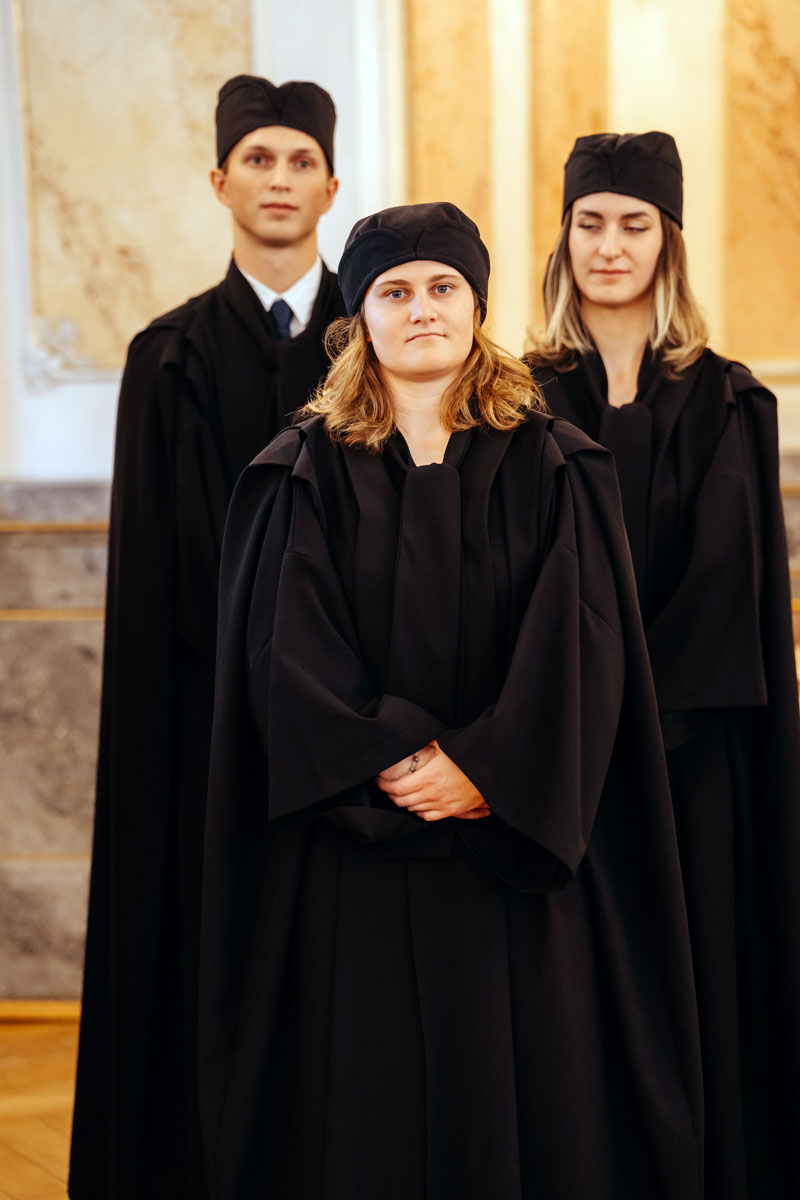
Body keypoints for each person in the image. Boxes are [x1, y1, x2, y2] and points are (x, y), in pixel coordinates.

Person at [198, 201, 704, 1200]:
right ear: (358, 315)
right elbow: (284, 647)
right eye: (394, 291)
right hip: (357, 853)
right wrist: (387, 752)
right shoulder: (298, 471)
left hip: (511, 849)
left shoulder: (555, 464)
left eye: (443, 288)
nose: (421, 309)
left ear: (476, 305)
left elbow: (582, 642)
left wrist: (487, 767)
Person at [70, 76, 345, 1200]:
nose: (279, 180)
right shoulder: (168, 356)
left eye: (300, 161)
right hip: (205, 721)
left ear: (332, 185)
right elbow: (154, 575)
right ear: (220, 180)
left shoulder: (383, 340)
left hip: (353, 732)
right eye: (259, 160)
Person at [527, 131, 800, 1199]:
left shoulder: (728, 400)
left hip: (692, 754)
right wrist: (575, 719)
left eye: (632, 225)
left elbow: (729, 585)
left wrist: (634, 714)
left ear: (666, 241)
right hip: (560, 757)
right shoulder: (514, 401)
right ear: (563, 239)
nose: (609, 246)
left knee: (696, 975)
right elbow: (517, 584)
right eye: (589, 224)